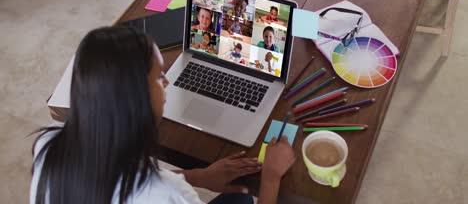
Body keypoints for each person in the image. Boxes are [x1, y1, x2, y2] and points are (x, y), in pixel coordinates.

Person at [30, 26, 295, 204]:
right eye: (159, 76)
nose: (167, 82)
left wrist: (199, 177)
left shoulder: (49, 145)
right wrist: (271, 177)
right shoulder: (167, 195)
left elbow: (120, 181)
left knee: (237, 198)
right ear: (136, 99)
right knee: (244, 197)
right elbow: (156, 189)